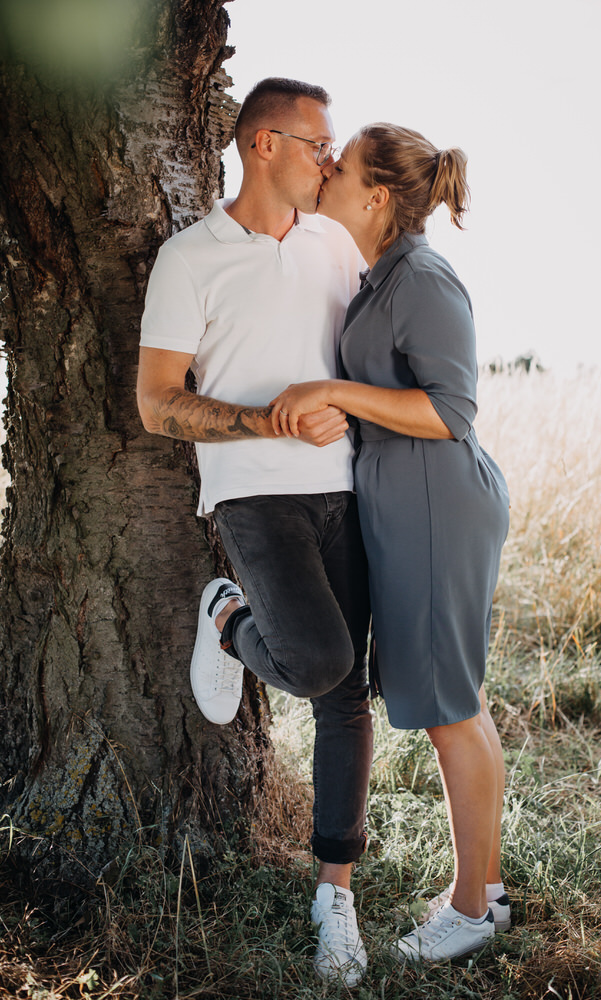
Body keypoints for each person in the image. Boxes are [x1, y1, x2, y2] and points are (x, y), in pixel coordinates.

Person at [136, 78, 372, 986]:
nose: (331, 159)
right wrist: (268, 421)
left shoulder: (338, 246)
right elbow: (158, 405)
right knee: (317, 664)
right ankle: (228, 615)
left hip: (349, 491)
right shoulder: (190, 258)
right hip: (254, 496)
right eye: (318, 143)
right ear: (263, 144)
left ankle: (333, 898)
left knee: (347, 696)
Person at [270, 123, 511, 965]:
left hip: (437, 511)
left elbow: (450, 414)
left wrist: (333, 389)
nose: (327, 171)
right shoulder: (379, 276)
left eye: (343, 168)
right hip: (410, 510)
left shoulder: (422, 276)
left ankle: (471, 910)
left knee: (449, 713)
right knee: (460, 703)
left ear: (376, 197)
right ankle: (485, 891)